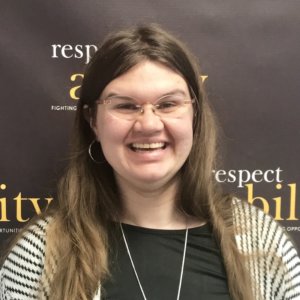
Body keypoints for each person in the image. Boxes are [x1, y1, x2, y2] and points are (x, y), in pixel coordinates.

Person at [1, 24, 300, 300]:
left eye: (168, 104)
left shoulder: (260, 241)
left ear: (194, 115)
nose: (148, 123)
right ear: (93, 120)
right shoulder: (40, 255)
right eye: (126, 106)